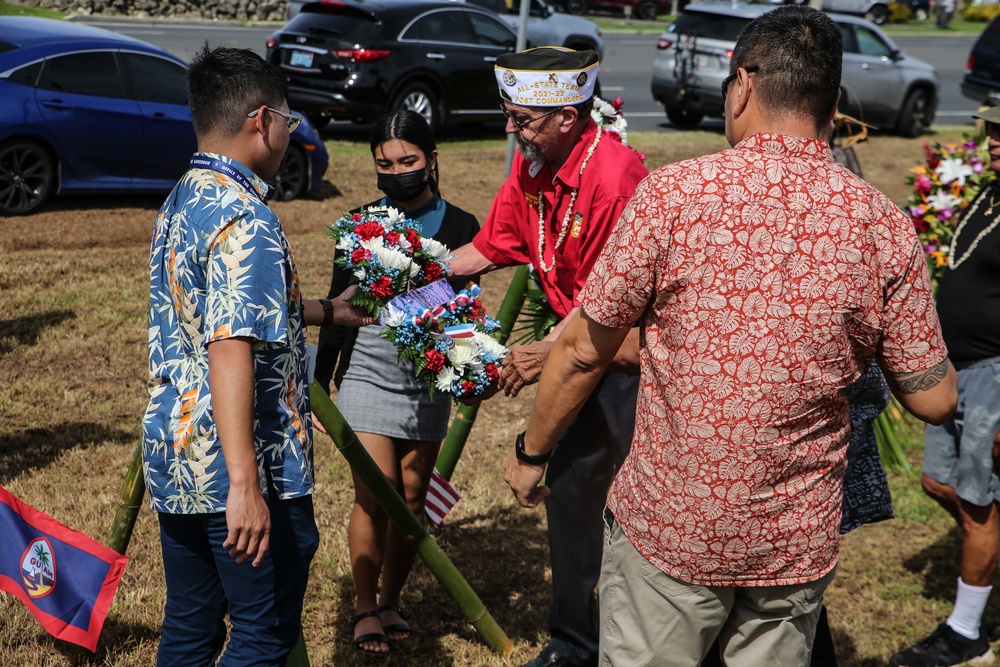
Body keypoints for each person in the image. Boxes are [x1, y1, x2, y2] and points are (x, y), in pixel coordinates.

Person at [503, 7, 958, 666]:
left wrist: (531, 449)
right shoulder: (882, 224)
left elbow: (579, 349)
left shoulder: (674, 196)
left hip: (672, 534)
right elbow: (935, 399)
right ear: (832, 102)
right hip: (790, 547)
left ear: (741, 86)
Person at [141, 46, 371, 666]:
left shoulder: (184, 198)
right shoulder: (248, 218)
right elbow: (230, 343)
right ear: (262, 120)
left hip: (178, 450)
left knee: (190, 627)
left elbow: (217, 311)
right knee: (262, 634)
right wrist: (244, 483)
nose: (289, 138)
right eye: (290, 124)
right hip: (243, 463)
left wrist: (325, 310)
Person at [449, 47, 647, 667]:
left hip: (624, 364)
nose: (511, 129)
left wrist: (543, 352)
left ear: (568, 116)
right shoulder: (535, 163)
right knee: (570, 496)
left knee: (625, 504)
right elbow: (486, 249)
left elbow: (610, 312)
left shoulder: (613, 177)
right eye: (509, 114)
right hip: (577, 348)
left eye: (524, 118)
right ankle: (574, 641)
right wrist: (400, 275)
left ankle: (622, 640)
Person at [314, 110, 481, 657]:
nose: (396, 172)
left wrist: (469, 374)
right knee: (376, 493)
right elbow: (341, 307)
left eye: (407, 161)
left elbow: (465, 314)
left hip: (429, 375)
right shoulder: (361, 223)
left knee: (412, 497)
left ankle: (391, 599)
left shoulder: (463, 227)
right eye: (383, 164)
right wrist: (317, 387)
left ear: (432, 160)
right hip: (369, 366)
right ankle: (364, 607)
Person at [889, 107, 1000, 667]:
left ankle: (965, 632)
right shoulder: (989, 192)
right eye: (994, 132)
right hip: (957, 371)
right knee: (940, 483)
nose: (996, 142)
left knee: (980, 506)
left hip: (994, 377)